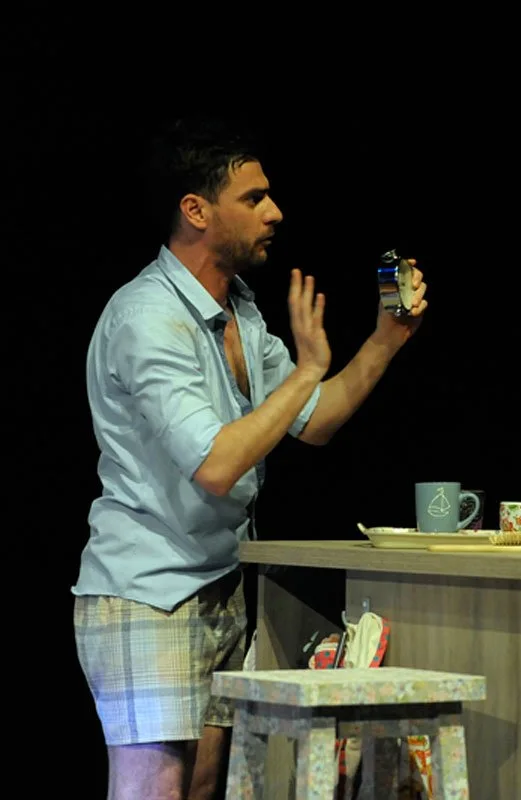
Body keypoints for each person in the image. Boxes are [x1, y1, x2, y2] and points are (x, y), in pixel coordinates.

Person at [71, 118, 428, 800]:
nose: (275, 212)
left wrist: (385, 340)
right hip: (148, 590)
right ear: (196, 210)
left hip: (220, 585)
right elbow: (215, 464)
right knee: (155, 790)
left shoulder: (239, 309)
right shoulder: (148, 318)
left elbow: (312, 420)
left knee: (207, 784)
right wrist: (307, 370)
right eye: (254, 198)